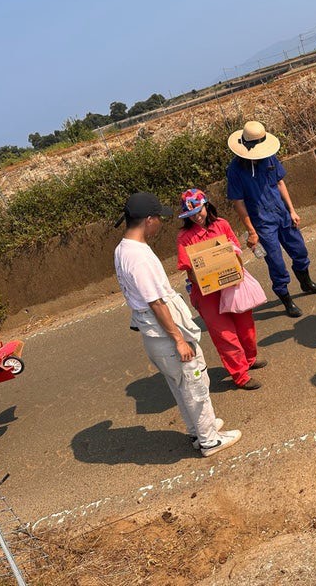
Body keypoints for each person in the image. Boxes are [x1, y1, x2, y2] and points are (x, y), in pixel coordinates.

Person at [113, 192, 242, 457]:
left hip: (153, 334)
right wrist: (179, 339)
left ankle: (198, 428)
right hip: (164, 333)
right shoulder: (138, 257)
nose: (160, 222)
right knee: (194, 382)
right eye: (158, 217)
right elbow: (156, 302)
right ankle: (209, 440)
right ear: (148, 220)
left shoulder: (123, 249)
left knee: (181, 384)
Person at [226, 120, 316, 318]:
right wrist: (252, 231)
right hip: (262, 223)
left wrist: (292, 210)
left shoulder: (269, 158)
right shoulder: (235, 170)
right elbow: (238, 203)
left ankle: (306, 283)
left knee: (299, 250)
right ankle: (286, 299)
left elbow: (280, 183)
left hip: (281, 214)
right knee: (277, 263)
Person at [176, 188, 266, 391]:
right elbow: (187, 268)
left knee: (246, 327)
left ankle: (249, 359)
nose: (197, 217)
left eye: (199, 211)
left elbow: (235, 249)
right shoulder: (184, 236)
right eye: (191, 215)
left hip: (232, 284)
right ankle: (240, 375)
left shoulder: (221, 224)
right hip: (205, 292)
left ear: (207, 206)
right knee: (225, 335)